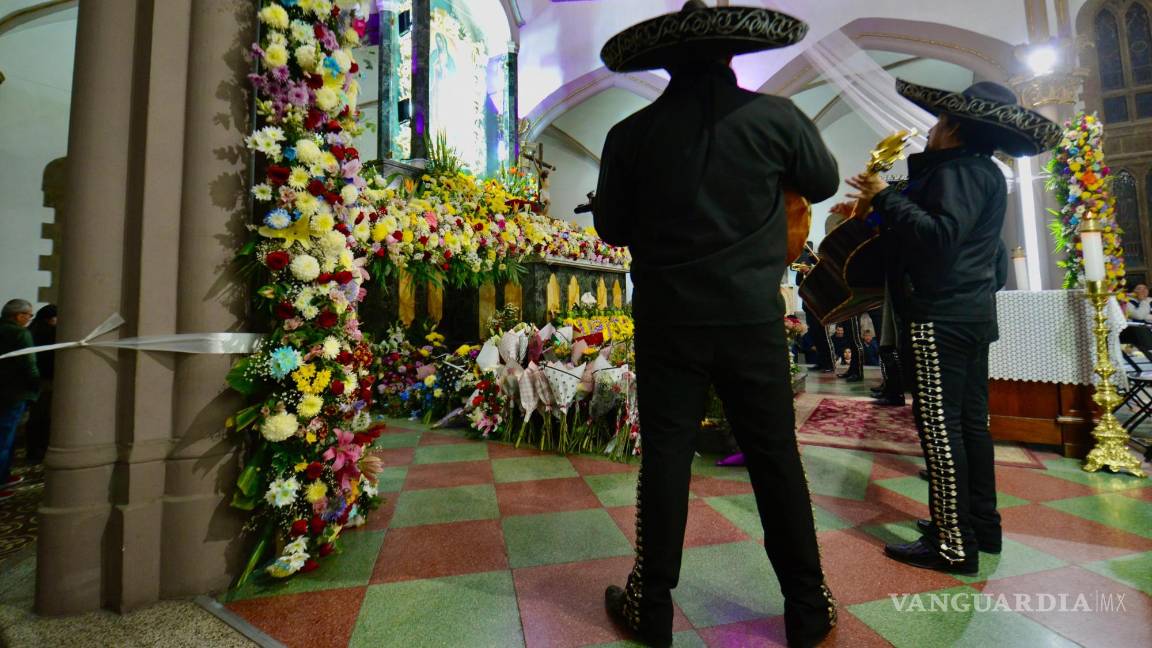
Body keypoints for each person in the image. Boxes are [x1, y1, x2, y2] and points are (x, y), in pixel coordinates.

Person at [594, 2, 839, 646]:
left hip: (668, 319)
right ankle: (809, 611)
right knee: (774, 458)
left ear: (666, 61)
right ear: (731, 54)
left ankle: (651, 607)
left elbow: (613, 227)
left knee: (667, 459)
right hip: (750, 317)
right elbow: (824, 177)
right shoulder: (777, 118)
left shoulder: (630, 133)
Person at [845, 79, 1060, 574]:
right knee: (969, 427)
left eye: (940, 123)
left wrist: (885, 197)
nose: (932, 131)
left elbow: (938, 238)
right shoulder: (982, 172)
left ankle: (952, 542)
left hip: (939, 315)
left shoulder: (959, 172)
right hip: (969, 313)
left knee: (940, 431)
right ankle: (980, 526)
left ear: (956, 131)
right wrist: (884, 204)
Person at [0, 299, 40, 499]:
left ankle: (5, 476)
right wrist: (35, 384)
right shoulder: (20, 333)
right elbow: (28, 362)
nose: (29, 319)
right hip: (15, 391)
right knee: (5, 438)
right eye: (28, 315)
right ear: (18, 316)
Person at [25, 304, 57, 464]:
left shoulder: (32, 330)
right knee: (43, 417)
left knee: (37, 416)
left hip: (39, 380)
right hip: (45, 380)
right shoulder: (48, 332)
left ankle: (34, 450)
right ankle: (38, 450)